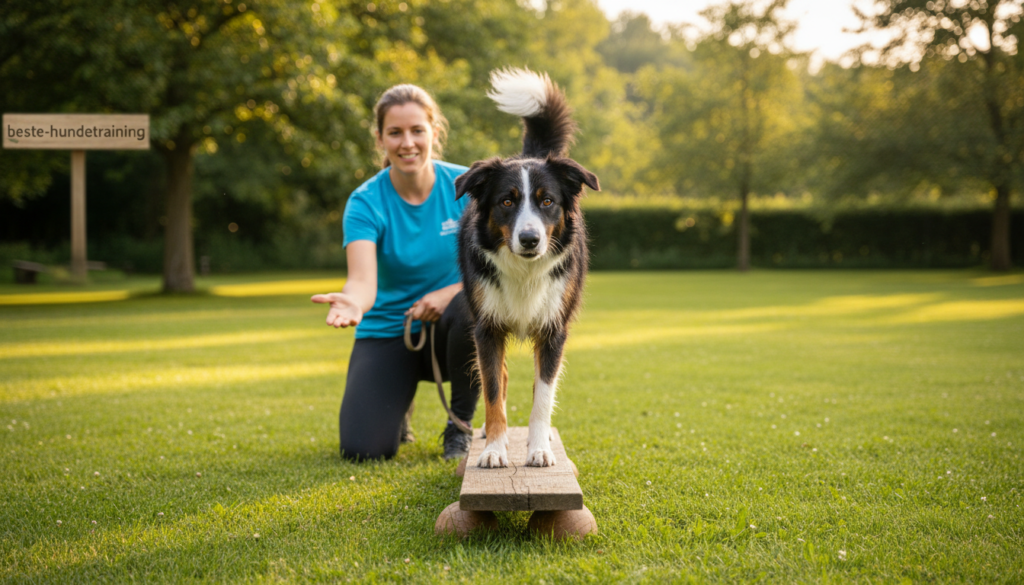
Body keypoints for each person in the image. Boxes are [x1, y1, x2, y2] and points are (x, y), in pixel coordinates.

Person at [311, 84, 479, 462]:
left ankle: (460, 426)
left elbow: (496, 268)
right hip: (391, 331)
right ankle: (398, 406)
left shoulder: (469, 187)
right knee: (363, 450)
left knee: (471, 304)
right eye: (395, 132)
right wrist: (353, 302)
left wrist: (449, 293)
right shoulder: (365, 202)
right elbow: (362, 279)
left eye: (417, 130)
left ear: (435, 132)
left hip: (454, 330)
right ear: (380, 138)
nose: (408, 143)